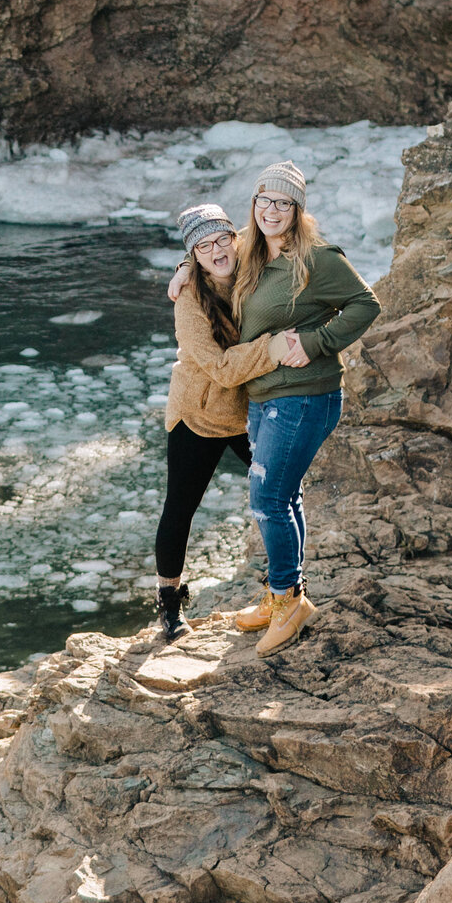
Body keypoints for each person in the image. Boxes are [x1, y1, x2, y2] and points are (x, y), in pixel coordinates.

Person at [168, 159, 377, 655]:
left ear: (298, 209)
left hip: (302, 395)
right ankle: (285, 593)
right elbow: (211, 242)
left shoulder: (317, 258)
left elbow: (366, 304)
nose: (272, 210)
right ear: (255, 206)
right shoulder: (252, 248)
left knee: (268, 500)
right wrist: (183, 268)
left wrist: (318, 341)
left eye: (284, 202)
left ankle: (287, 602)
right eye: (265, 200)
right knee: (284, 497)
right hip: (262, 397)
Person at [152, 203, 307, 641]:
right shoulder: (189, 302)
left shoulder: (251, 262)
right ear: (195, 254)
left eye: (222, 239)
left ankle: (287, 590)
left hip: (247, 408)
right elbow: (220, 367)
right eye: (203, 246)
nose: (217, 250)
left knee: (282, 492)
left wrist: (185, 261)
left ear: (234, 239)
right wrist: (273, 348)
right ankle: (168, 603)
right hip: (197, 413)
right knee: (180, 508)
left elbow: (278, 237)